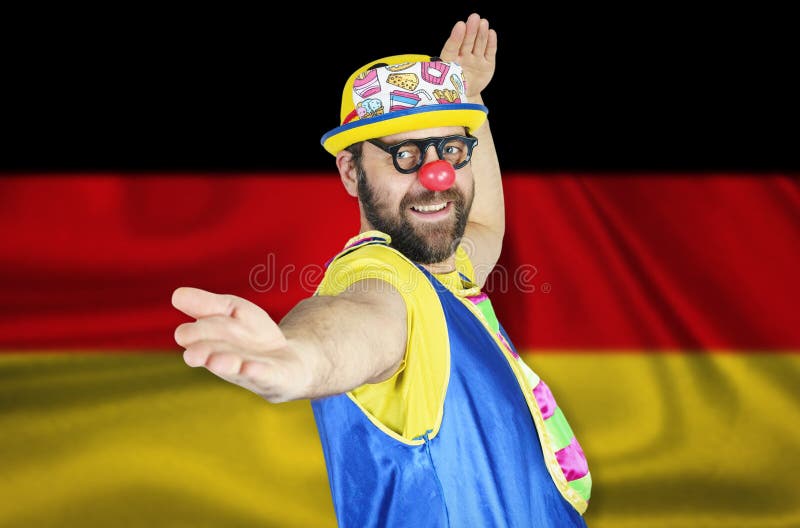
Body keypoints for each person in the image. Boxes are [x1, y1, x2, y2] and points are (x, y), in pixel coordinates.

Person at [172, 13, 591, 527]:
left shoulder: (449, 274)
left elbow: (485, 226)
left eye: (451, 150)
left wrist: (470, 98)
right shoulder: (383, 277)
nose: (437, 177)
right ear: (351, 172)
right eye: (406, 154)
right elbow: (362, 318)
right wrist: (300, 356)